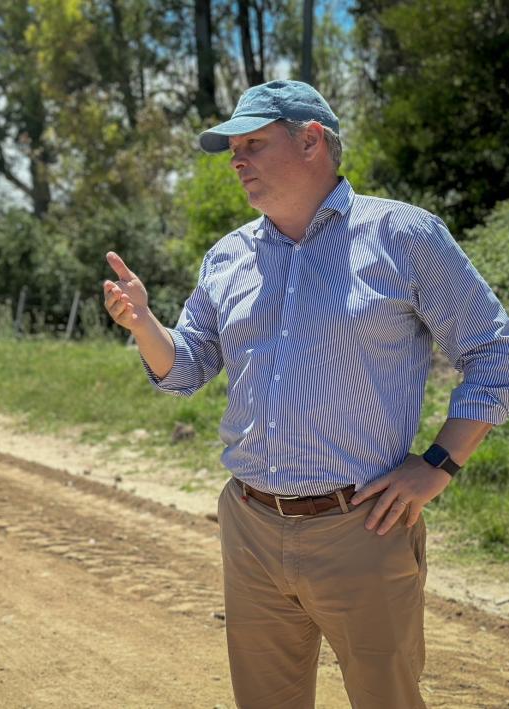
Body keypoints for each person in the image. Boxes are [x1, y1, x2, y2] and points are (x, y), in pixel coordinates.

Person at [103, 80, 509, 708]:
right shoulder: (228, 257)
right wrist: (142, 325)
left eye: (253, 145)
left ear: (311, 140)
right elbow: (184, 368)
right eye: (233, 149)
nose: (237, 161)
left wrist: (438, 466)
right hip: (250, 527)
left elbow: (494, 352)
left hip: (364, 527)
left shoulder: (405, 236)